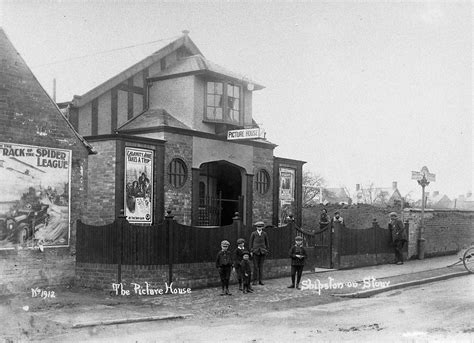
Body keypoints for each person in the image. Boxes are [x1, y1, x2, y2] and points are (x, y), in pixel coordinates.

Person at [249, 221, 270, 285]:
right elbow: (251, 242)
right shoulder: (253, 233)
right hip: (255, 251)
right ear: (256, 227)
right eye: (258, 227)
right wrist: (251, 251)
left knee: (261, 267)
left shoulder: (264, 234)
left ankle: (261, 280)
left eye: (260, 227)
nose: (259, 228)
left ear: (262, 227)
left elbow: (267, 243)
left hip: (262, 252)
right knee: (255, 267)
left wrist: (266, 250)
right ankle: (255, 280)